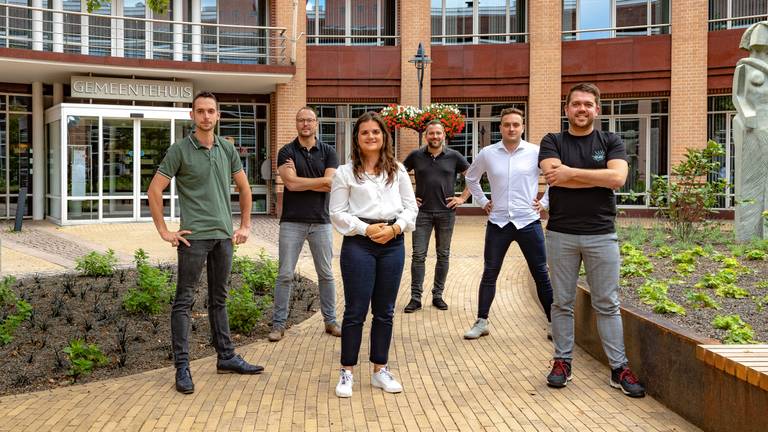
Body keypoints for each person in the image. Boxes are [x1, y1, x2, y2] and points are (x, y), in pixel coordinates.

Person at [147, 91, 263, 395]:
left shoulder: (227, 148)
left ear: (218, 115)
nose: (206, 116)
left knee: (219, 299)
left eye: (211, 111)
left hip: (224, 237)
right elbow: (154, 190)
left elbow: (244, 187)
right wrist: (164, 231)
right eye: (200, 111)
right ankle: (182, 367)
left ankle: (226, 358)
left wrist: (246, 225)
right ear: (192, 116)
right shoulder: (180, 150)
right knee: (183, 302)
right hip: (193, 238)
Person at [539, 82, 645, 398]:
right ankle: (562, 363)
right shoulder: (552, 141)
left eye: (588, 104)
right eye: (576, 104)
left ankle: (619, 368)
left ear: (596, 110)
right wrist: (592, 177)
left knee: (607, 303)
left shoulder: (611, 140)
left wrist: (571, 174)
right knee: (562, 302)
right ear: (566, 109)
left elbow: (617, 179)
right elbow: (553, 176)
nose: (582, 109)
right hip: (561, 234)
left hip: (602, 234)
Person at [329, 112, 418, 398]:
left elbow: (410, 208)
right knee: (355, 311)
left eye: (376, 132)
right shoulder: (345, 172)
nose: (371, 136)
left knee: (385, 311)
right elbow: (337, 213)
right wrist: (366, 230)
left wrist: (395, 230)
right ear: (357, 138)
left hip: (392, 242)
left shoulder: (399, 170)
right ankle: (347, 371)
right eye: (365, 132)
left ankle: (380, 370)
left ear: (384, 136)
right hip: (359, 243)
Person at [463, 107, 553, 341]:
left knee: (541, 274)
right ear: (500, 127)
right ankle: (482, 321)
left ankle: (554, 324)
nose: (511, 128)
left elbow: (554, 177)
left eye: (516, 124)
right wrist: (482, 201)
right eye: (506, 125)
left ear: (523, 127)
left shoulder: (536, 152)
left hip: (528, 221)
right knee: (490, 273)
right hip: (498, 223)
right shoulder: (488, 153)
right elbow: (471, 178)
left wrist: (544, 203)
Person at [268, 107, 340, 342]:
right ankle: (278, 325)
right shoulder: (285, 151)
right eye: (301, 120)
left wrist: (300, 180)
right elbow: (290, 185)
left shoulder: (329, 152)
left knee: (326, 274)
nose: (305, 124)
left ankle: (330, 321)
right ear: (296, 123)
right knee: (285, 274)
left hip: (321, 221)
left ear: (316, 123)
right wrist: (317, 182)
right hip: (292, 222)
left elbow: (331, 184)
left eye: (309, 120)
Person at [402, 120, 470, 312]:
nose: (435, 137)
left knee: (443, 255)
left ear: (444, 136)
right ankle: (415, 298)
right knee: (418, 256)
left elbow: (472, 176)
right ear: (426, 136)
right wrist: (406, 198)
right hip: (421, 213)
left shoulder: (454, 156)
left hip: (446, 213)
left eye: (438, 133)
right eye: (431, 133)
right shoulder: (416, 155)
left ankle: (438, 295)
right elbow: (397, 175)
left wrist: (462, 198)